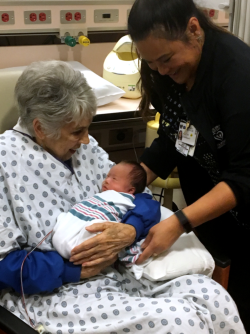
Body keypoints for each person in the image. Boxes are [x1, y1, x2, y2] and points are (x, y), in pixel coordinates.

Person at [0, 60, 245, 334]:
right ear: (41, 128)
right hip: (54, 292)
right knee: (180, 321)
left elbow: (139, 198)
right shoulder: (5, 163)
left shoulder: (86, 150)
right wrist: (75, 270)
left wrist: (131, 229)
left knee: (213, 298)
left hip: (120, 272)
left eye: (87, 128)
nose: (86, 140)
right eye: (77, 132)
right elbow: (4, 265)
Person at [126, 0, 250, 331]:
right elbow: (173, 138)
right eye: (151, 63)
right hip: (209, 214)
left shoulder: (237, 74)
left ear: (194, 29)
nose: (161, 71)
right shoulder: (170, 72)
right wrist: (126, 186)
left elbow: (244, 176)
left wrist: (179, 221)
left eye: (166, 59)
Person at [52, 161, 161, 262]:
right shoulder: (101, 196)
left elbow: (149, 207)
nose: (106, 180)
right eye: (107, 176)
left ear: (130, 190)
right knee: (63, 217)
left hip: (86, 239)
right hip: (66, 230)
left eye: (114, 179)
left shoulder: (130, 199)